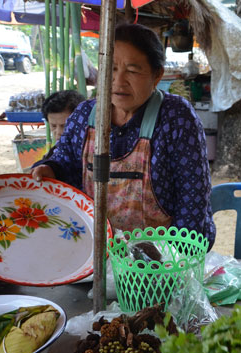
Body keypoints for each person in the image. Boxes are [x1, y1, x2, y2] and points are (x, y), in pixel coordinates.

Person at [31, 23, 215, 245]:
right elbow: (65, 158)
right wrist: (51, 168)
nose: (118, 81)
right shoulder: (85, 115)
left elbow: (193, 197)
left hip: (159, 260)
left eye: (133, 70)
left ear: (156, 76)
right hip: (96, 248)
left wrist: (176, 259)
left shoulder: (175, 117)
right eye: (111, 68)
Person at [41, 90, 86, 157]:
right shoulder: (50, 158)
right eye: (53, 126)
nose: (59, 132)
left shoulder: (90, 156)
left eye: (65, 126)